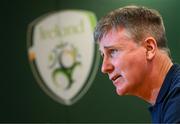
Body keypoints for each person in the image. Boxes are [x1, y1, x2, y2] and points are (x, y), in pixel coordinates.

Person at [94, 5, 180, 123]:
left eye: (113, 51)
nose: (104, 68)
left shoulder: (177, 100)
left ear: (149, 48)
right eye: (103, 55)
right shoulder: (167, 100)